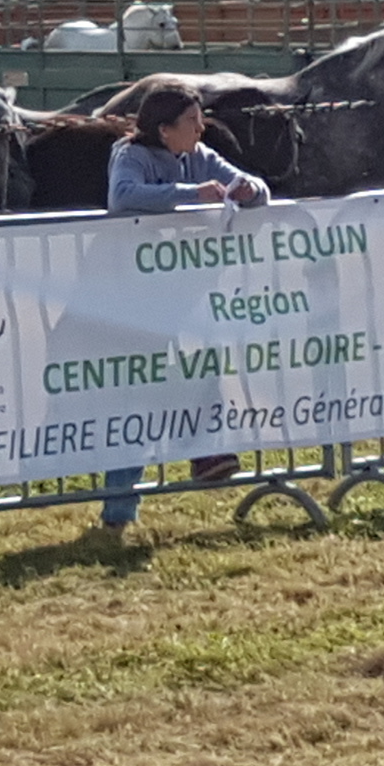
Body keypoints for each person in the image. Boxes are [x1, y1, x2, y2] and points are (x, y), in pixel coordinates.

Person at [99, 86, 270, 535]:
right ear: (164, 129)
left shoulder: (203, 154)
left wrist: (250, 189)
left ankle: (206, 452)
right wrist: (192, 194)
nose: (201, 127)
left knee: (201, 366)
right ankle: (120, 507)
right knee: (137, 396)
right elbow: (123, 196)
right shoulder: (130, 155)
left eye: (200, 119)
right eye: (192, 120)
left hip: (182, 293)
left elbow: (256, 189)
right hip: (129, 296)